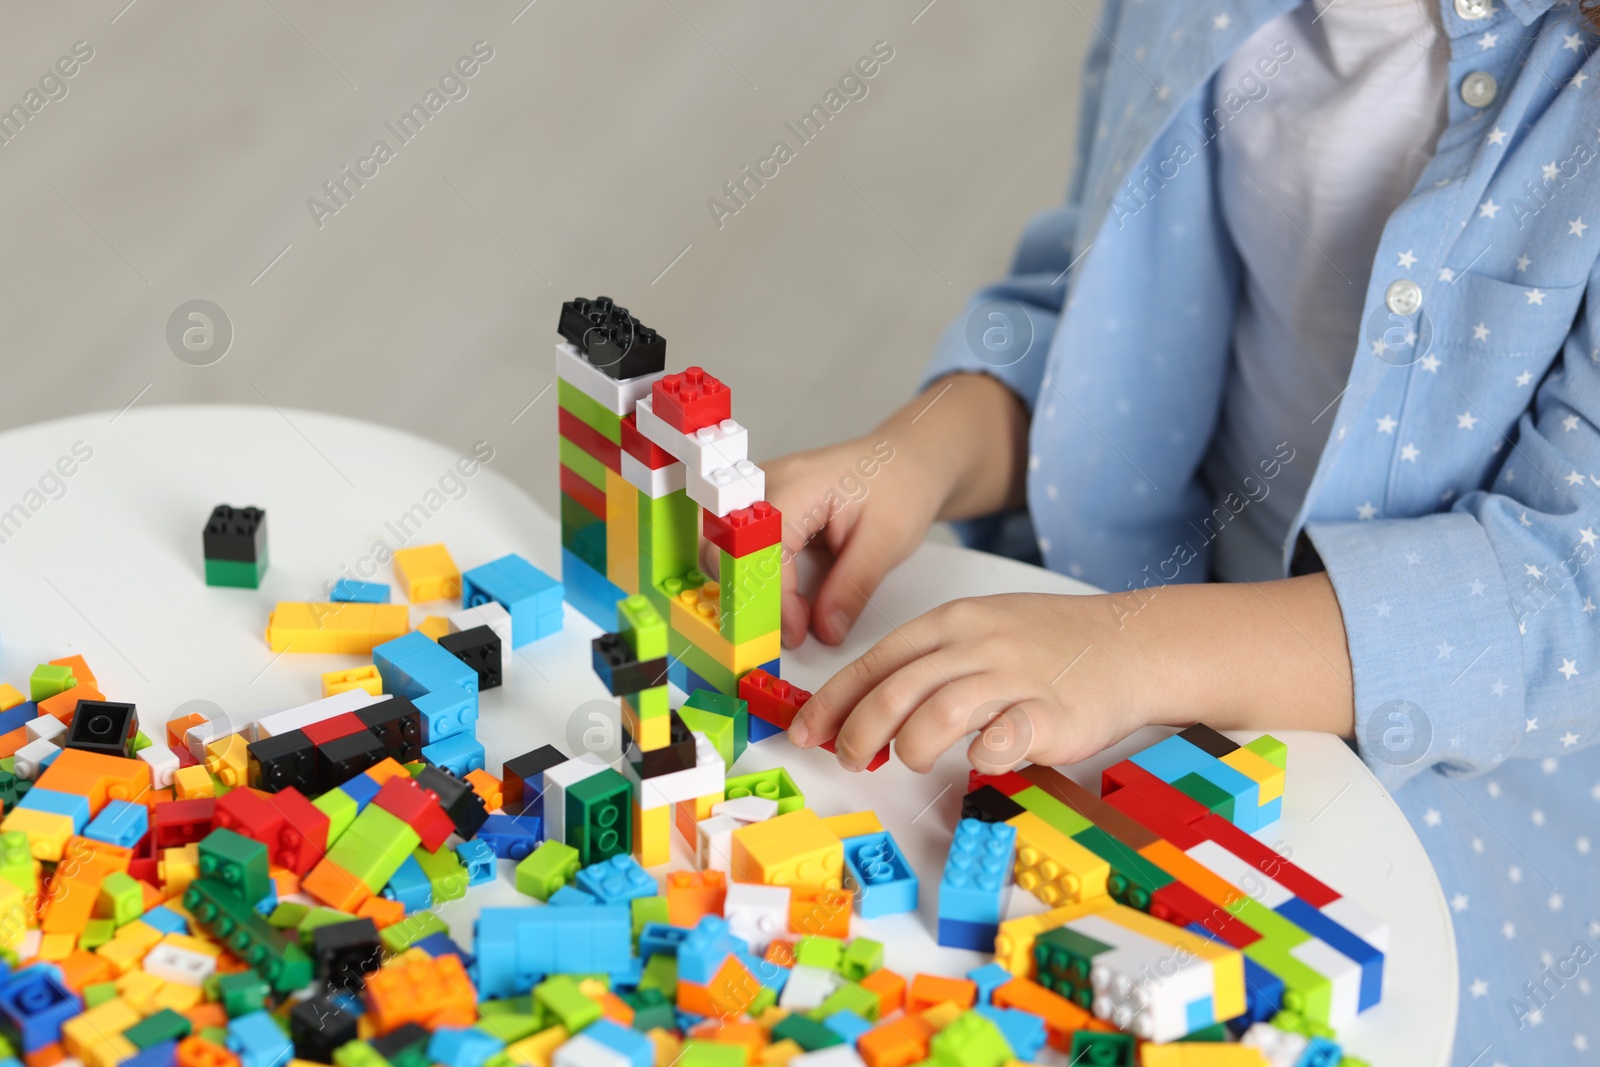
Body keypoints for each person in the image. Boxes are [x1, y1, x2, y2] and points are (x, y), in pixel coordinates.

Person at [751, 2, 1599, 1061]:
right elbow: (1105, 320)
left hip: (1466, 830)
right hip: (1128, 682)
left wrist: (1128, 648)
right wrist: (918, 450)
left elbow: (1563, 596)